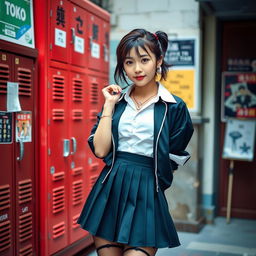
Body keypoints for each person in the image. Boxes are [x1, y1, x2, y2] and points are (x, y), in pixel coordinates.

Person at [78, 28, 194, 256]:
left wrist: (153, 186)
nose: (137, 69)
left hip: (147, 191)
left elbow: (174, 155)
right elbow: (101, 150)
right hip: (110, 189)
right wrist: (109, 106)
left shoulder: (174, 107)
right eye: (129, 62)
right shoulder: (117, 102)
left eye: (144, 60)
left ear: (158, 60)